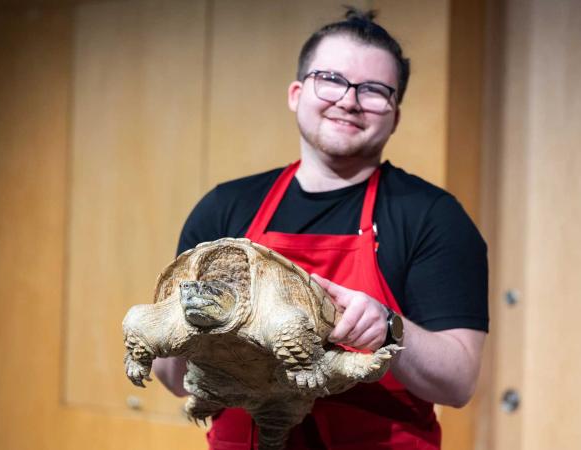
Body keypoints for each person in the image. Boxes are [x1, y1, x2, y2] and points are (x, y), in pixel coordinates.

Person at [153, 8, 488, 450]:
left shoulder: (432, 217)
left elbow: (458, 382)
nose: (348, 100)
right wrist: (189, 328)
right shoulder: (224, 209)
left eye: (373, 90)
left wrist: (389, 327)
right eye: (330, 79)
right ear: (296, 93)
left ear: (395, 114)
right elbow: (173, 380)